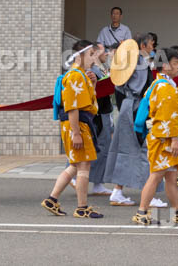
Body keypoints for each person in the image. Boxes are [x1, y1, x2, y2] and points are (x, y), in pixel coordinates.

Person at [132, 46, 178, 226]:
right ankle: (142, 211)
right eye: (176, 63)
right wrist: (175, 139)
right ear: (165, 65)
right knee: (157, 174)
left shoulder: (158, 84)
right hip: (164, 138)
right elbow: (169, 117)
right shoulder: (166, 87)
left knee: (170, 176)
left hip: (159, 136)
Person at [42, 40, 104, 219]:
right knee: (84, 166)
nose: (94, 58)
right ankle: (82, 207)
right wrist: (76, 133)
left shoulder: (81, 75)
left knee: (75, 166)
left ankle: (52, 199)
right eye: (91, 54)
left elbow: (87, 102)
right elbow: (73, 107)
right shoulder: (76, 76)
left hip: (78, 124)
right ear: (80, 55)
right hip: (77, 125)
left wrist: (93, 85)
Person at [106, 33, 163, 208]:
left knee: (125, 149)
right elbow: (144, 88)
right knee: (145, 149)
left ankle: (117, 191)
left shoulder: (126, 62)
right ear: (144, 46)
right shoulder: (139, 63)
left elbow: (118, 86)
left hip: (127, 107)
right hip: (137, 107)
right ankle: (149, 195)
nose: (153, 48)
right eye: (152, 44)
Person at [86, 39, 114, 196]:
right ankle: (73, 175)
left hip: (103, 111)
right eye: (104, 51)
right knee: (97, 147)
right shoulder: (91, 71)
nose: (107, 54)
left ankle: (98, 183)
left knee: (103, 148)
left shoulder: (99, 69)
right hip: (97, 113)